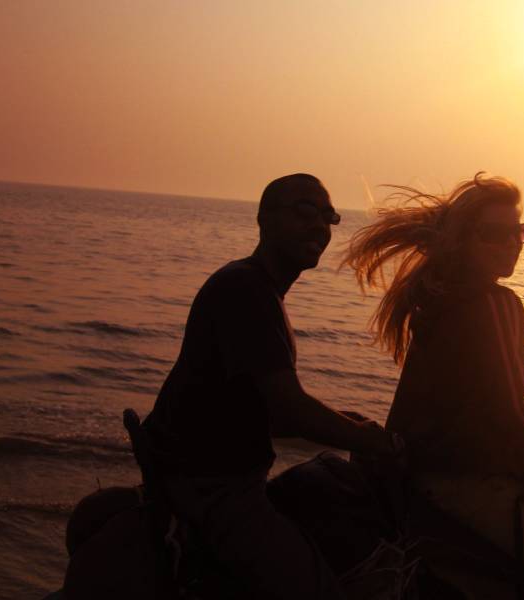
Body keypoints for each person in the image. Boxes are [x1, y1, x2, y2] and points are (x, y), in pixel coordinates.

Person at [342, 173, 524, 599]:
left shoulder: (441, 300)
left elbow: (488, 399)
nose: (510, 242)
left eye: (518, 232)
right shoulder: (492, 304)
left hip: (423, 472)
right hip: (465, 480)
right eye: (494, 234)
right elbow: (516, 417)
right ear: (462, 240)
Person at [142, 173, 401, 599]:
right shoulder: (246, 290)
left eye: (327, 217)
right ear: (264, 219)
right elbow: (288, 410)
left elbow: (250, 408)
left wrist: (345, 422)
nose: (319, 225)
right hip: (214, 489)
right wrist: (370, 440)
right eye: (304, 212)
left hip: (220, 477)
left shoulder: (257, 289)